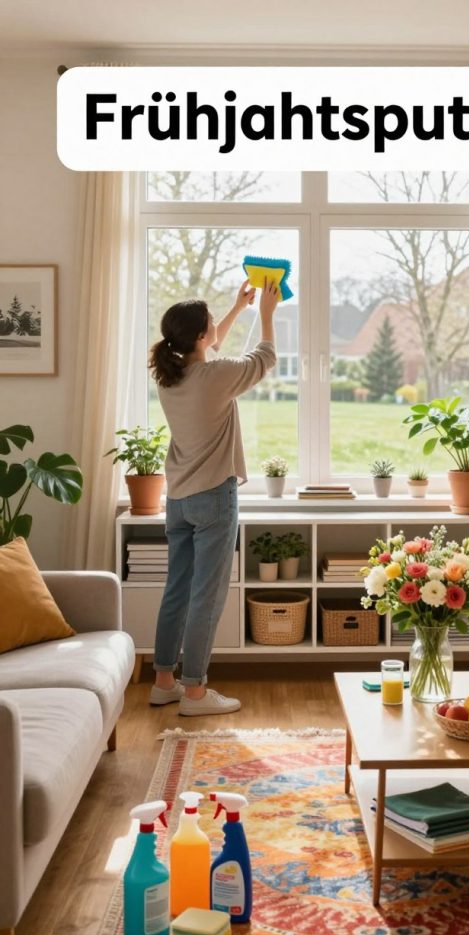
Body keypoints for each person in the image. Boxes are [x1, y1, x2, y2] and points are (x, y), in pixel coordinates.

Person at [147, 278, 279, 715]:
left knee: (177, 590)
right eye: (210, 327)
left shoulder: (171, 378)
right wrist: (265, 313)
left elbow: (211, 341)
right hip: (214, 498)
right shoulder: (217, 376)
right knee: (207, 594)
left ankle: (163, 680)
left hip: (178, 499)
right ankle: (196, 693)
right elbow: (266, 358)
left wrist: (236, 308)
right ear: (201, 336)